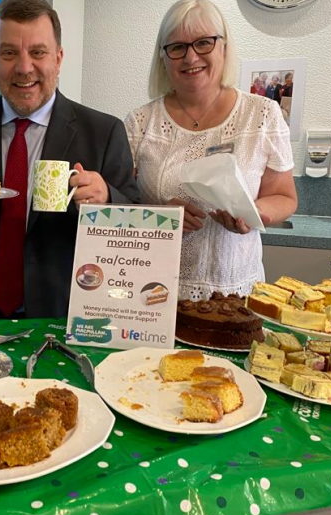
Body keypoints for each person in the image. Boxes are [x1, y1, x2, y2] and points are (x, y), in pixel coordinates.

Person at [0, 0, 139, 319]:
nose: (24, 68)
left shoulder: (103, 131)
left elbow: (134, 222)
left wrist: (106, 198)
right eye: (9, 53)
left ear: (58, 59)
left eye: (38, 52)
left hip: (66, 313)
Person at [124, 0, 297, 301]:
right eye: (177, 47)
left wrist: (256, 214)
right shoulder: (140, 123)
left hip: (235, 294)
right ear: (163, 57)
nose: (191, 57)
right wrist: (157, 217)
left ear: (224, 47)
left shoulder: (263, 115)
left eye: (204, 43)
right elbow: (115, 210)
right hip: (152, 296)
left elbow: (284, 196)